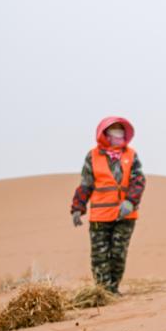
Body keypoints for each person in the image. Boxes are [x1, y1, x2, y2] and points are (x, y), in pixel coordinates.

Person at [70, 116, 145, 294]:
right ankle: (103, 292)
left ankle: (113, 289)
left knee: (118, 254)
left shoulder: (131, 155)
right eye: (114, 130)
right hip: (100, 216)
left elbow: (139, 180)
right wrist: (77, 208)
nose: (118, 133)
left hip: (125, 215)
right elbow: (85, 184)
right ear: (105, 133)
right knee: (99, 256)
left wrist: (130, 201)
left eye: (120, 130)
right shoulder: (93, 156)